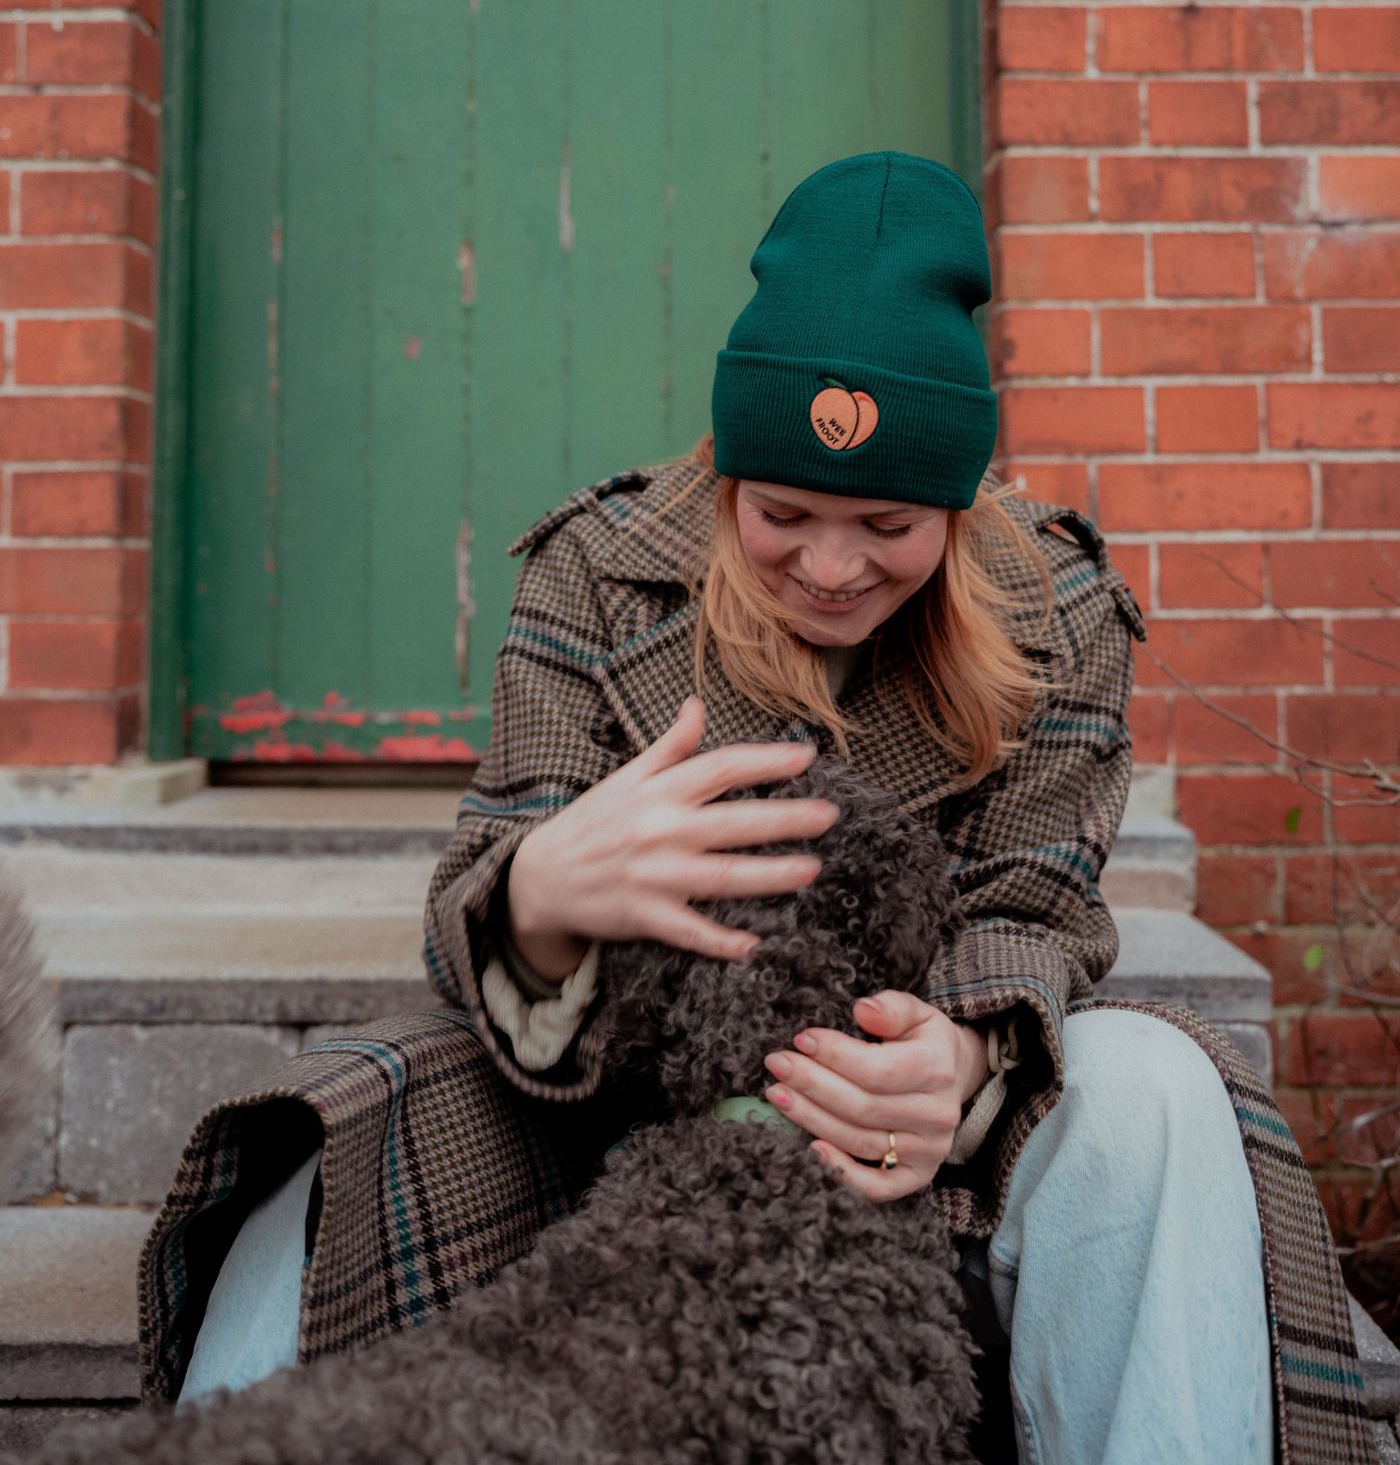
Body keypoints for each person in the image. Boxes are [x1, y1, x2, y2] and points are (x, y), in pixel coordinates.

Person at [163, 154, 1369, 1465]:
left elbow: (1035, 902)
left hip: (926, 1173)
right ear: (728, 470)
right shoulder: (599, 572)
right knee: (345, 1133)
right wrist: (538, 898)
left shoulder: (1060, 615)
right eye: (783, 512)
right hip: (629, 1143)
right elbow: (491, 872)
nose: (833, 566)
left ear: (958, 507)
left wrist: (962, 1059)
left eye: (888, 522)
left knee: (1158, 1089)